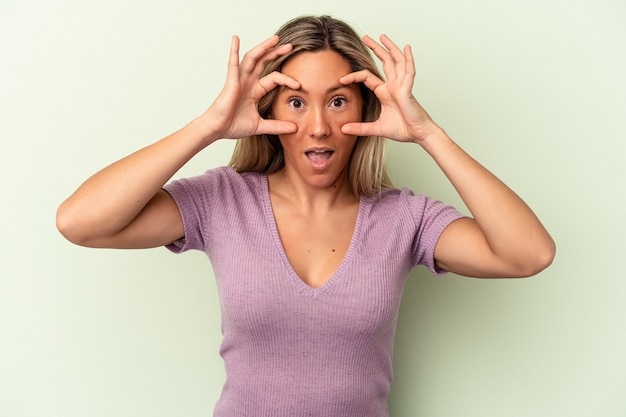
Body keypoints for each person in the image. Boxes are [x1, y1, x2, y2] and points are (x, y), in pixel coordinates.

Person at [56, 15, 555, 417]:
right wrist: (209, 126)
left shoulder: (405, 217)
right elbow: (80, 222)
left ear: (367, 107)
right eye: (296, 102)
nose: (318, 127)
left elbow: (528, 254)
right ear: (268, 111)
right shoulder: (222, 201)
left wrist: (430, 135)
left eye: (338, 102)